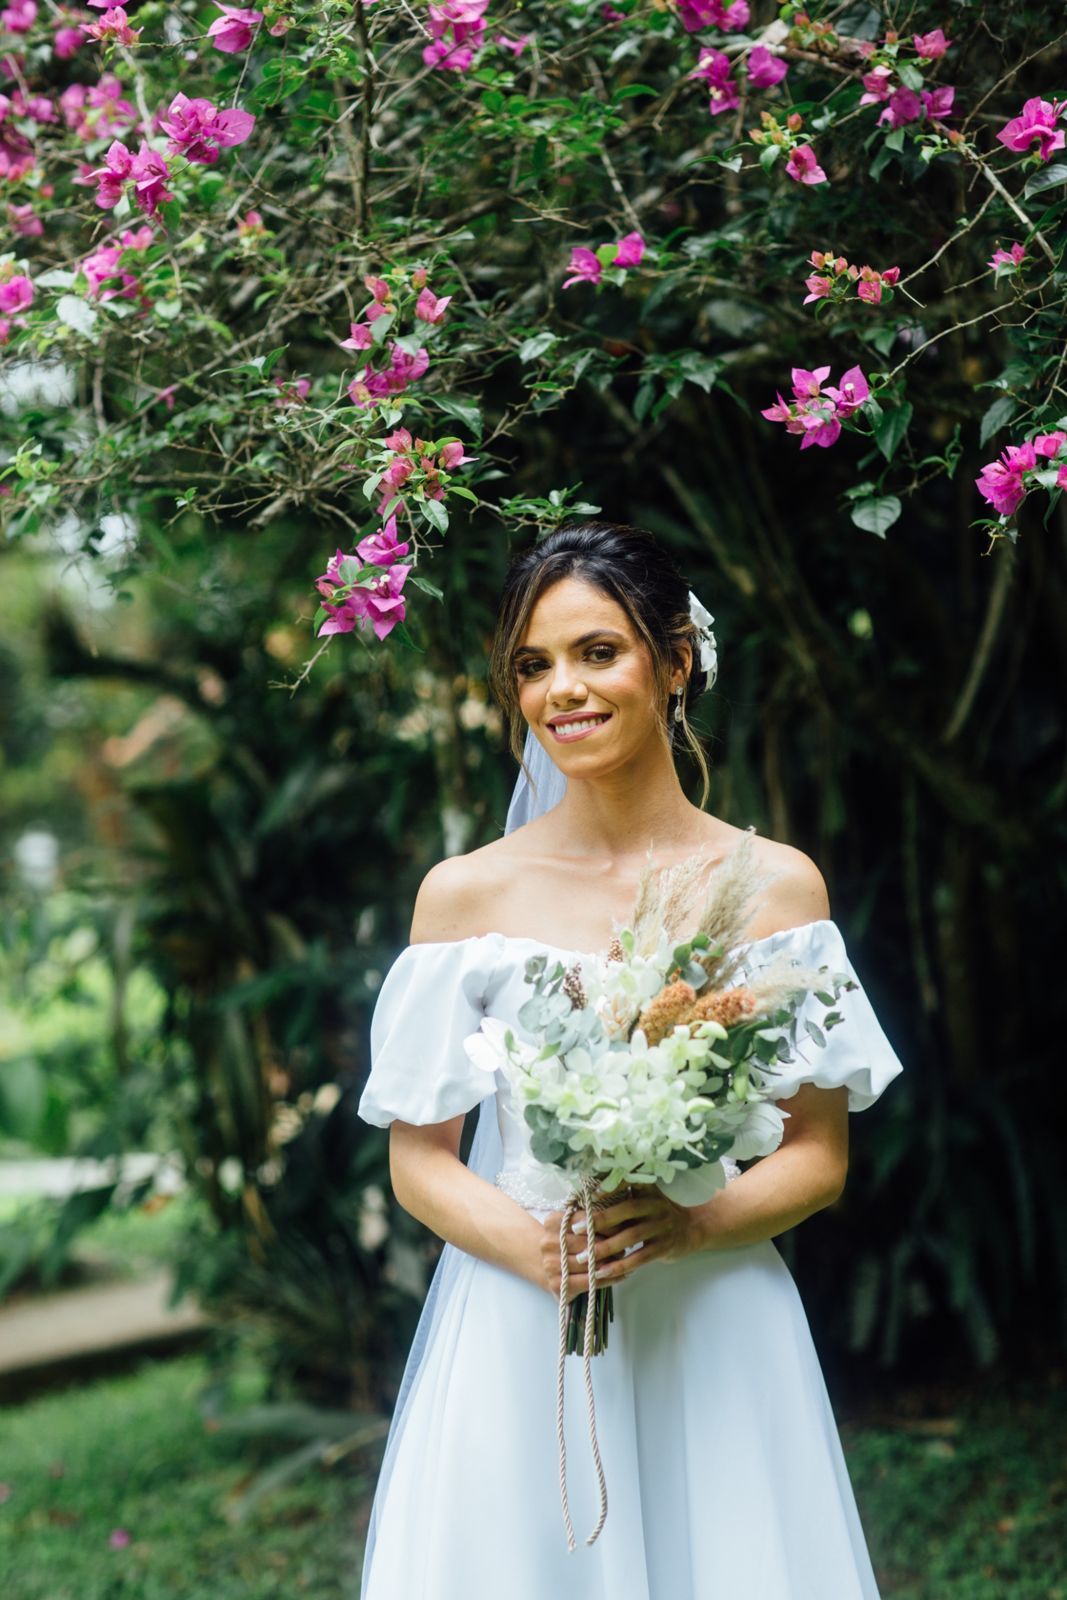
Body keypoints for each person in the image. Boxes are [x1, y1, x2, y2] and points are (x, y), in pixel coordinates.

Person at [356, 520, 904, 1598]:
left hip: (715, 1314)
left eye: (596, 652)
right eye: (532, 664)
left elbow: (817, 1155)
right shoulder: (463, 897)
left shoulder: (775, 887)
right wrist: (543, 1254)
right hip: (521, 1321)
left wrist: (690, 1223)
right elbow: (417, 1162)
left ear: (675, 661)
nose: (561, 689)